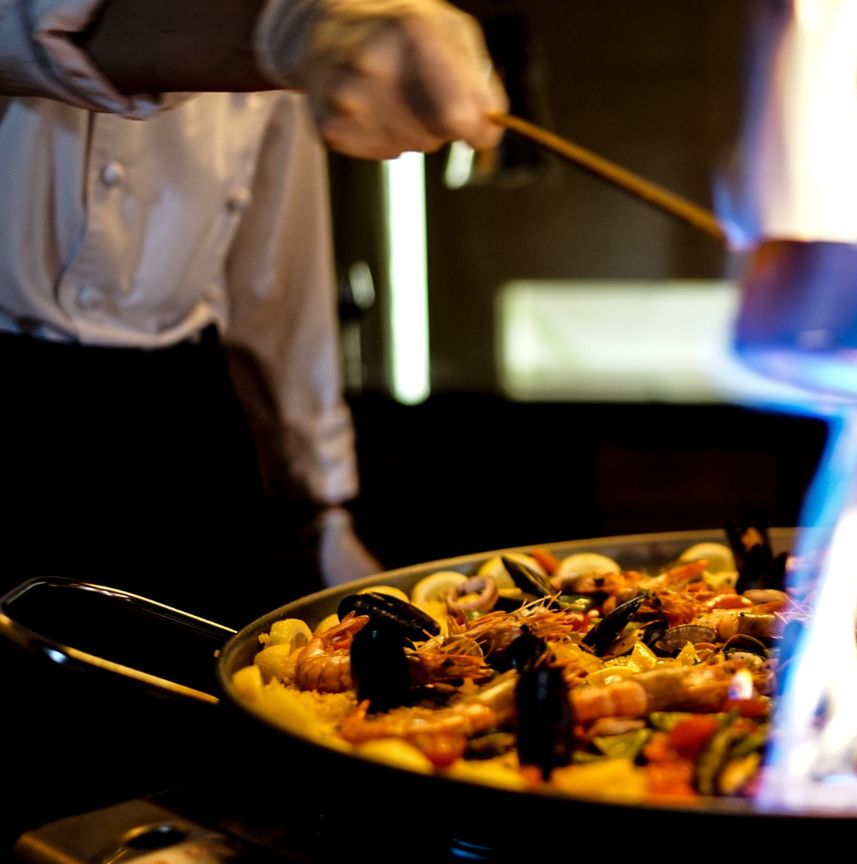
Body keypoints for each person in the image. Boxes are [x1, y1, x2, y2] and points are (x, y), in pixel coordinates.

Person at [0, 0, 506, 844]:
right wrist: (281, 31)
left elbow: (276, 266)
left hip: (183, 423)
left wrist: (324, 505)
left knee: (188, 786)